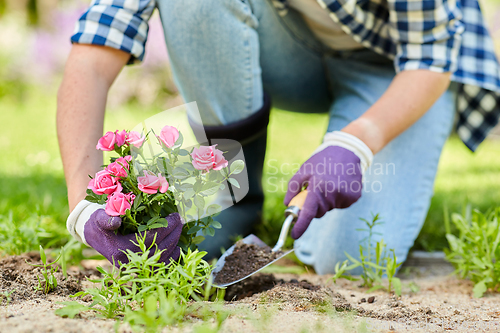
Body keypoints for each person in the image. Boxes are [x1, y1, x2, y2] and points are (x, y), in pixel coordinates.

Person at [58, 0, 500, 273]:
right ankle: (230, 196)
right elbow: (96, 51)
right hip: (290, 47)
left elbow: (431, 54)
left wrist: (356, 142)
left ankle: (240, 195)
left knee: (350, 256)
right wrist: (84, 207)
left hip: (396, 65)